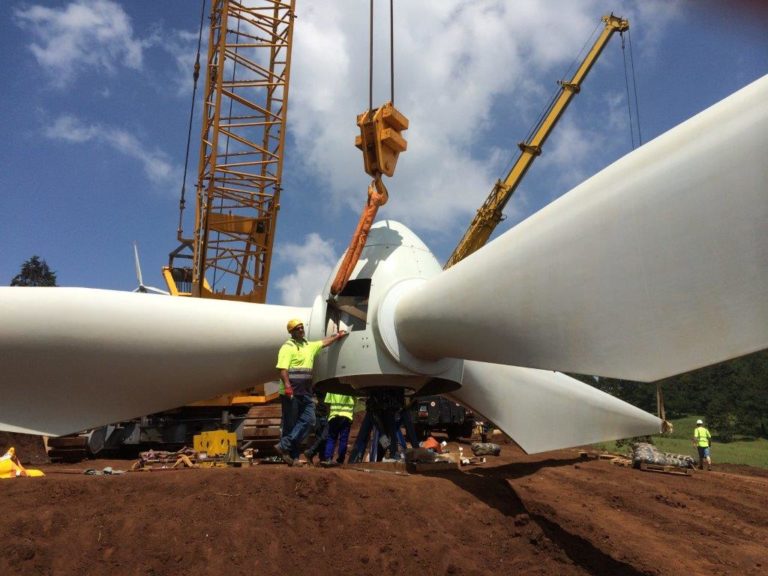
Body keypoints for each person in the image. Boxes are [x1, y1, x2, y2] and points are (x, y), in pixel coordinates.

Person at [274, 319, 347, 466]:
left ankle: (284, 445)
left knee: (310, 420)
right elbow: (282, 369)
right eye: (297, 329)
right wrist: (288, 387)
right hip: (291, 392)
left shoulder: (308, 345)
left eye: (301, 327)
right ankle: (293, 458)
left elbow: (323, 342)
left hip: (306, 392)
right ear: (292, 332)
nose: (301, 330)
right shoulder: (287, 347)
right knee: (291, 425)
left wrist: (337, 336)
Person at [321, 392, 357, 465]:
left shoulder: (332, 387)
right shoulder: (350, 388)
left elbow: (327, 403)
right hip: (346, 417)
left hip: (334, 416)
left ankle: (328, 458)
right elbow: (355, 402)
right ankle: (340, 459)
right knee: (343, 439)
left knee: (331, 438)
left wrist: (329, 416)